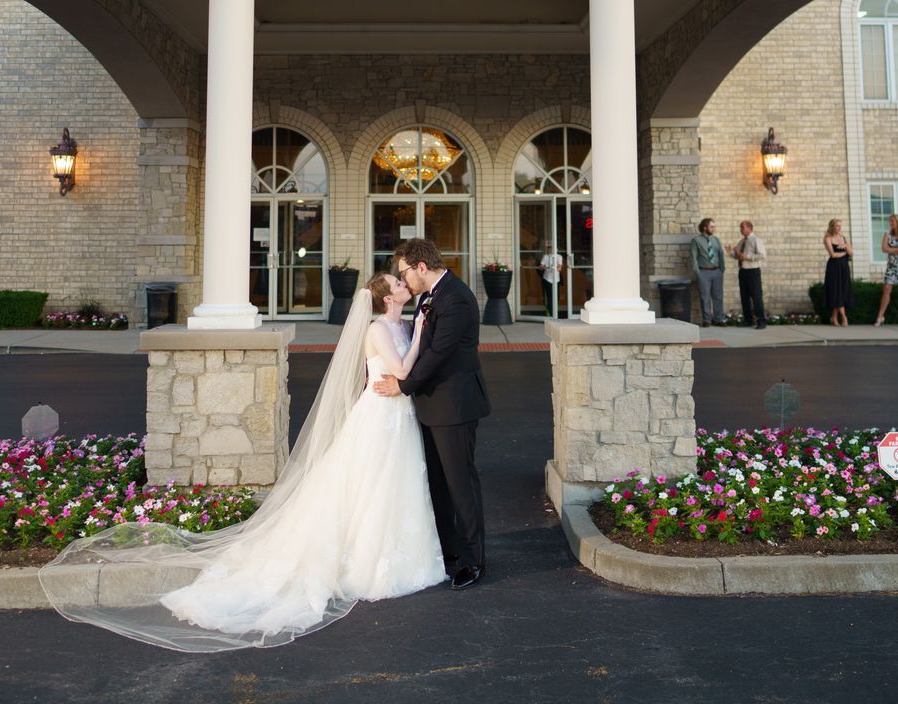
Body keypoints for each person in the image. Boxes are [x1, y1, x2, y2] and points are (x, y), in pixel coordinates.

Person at [41, 270, 445, 650]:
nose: (404, 283)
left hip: (397, 414)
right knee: (372, 481)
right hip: (379, 415)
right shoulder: (378, 328)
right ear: (387, 296)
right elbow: (399, 367)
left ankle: (391, 553)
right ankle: (362, 562)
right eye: (397, 281)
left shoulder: (401, 324)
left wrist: (417, 335)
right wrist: (422, 336)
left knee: (392, 483)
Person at [374, 237, 490, 590]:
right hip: (430, 404)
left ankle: (474, 561)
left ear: (420, 267)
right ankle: (448, 551)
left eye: (404, 273)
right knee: (437, 484)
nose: (404, 280)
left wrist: (402, 387)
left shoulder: (456, 298)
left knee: (460, 485)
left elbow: (439, 353)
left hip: (454, 404)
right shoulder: (428, 295)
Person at [729, 220, 765, 329]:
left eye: (742, 228)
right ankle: (748, 320)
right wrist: (731, 252)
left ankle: (761, 321)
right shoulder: (741, 242)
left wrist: (747, 257)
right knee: (744, 297)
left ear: (749, 228)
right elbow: (738, 256)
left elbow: (762, 255)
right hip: (743, 271)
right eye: (740, 228)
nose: (740, 230)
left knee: (756, 297)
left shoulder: (756, 240)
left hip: (753, 271)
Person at [690, 217, 726, 327]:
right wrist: (697, 272)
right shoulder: (696, 240)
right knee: (705, 297)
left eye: (714, 226)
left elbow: (721, 254)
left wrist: (721, 269)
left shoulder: (716, 240)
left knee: (718, 296)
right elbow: (693, 256)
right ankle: (707, 320)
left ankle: (719, 319)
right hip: (703, 272)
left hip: (716, 272)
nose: (714, 229)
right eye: (712, 226)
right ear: (705, 227)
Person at [822, 219, 853, 327]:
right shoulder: (828, 238)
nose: (839, 228)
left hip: (844, 267)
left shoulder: (843, 238)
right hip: (834, 268)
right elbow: (833, 255)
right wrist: (845, 252)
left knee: (842, 291)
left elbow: (851, 253)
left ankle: (834, 317)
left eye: (840, 226)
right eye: (836, 226)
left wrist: (845, 245)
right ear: (831, 227)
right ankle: (844, 317)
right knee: (836, 291)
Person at [539, 246, 564, 319]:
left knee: (557, 297)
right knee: (550, 297)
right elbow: (541, 266)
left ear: (557, 249)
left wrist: (557, 268)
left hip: (556, 280)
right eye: (550, 249)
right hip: (547, 279)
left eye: (553, 249)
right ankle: (551, 314)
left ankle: (554, 312)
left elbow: (559, 267)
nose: (551, 250)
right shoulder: (546, 256)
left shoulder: (559, 257)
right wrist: (542, 267)